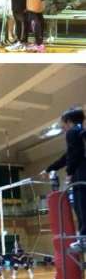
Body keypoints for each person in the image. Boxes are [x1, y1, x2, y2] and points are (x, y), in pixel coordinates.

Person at [44, 107, 86, 251]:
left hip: (81, 174)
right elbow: (67, 156)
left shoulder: (72, 132)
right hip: (81, 172)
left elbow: (74, 155)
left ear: (68, 121)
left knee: (81, 206)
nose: (62, 127)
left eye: (63, 123)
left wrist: (69, 172)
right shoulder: (81, 132)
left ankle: (83, 239)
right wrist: (50, 168)